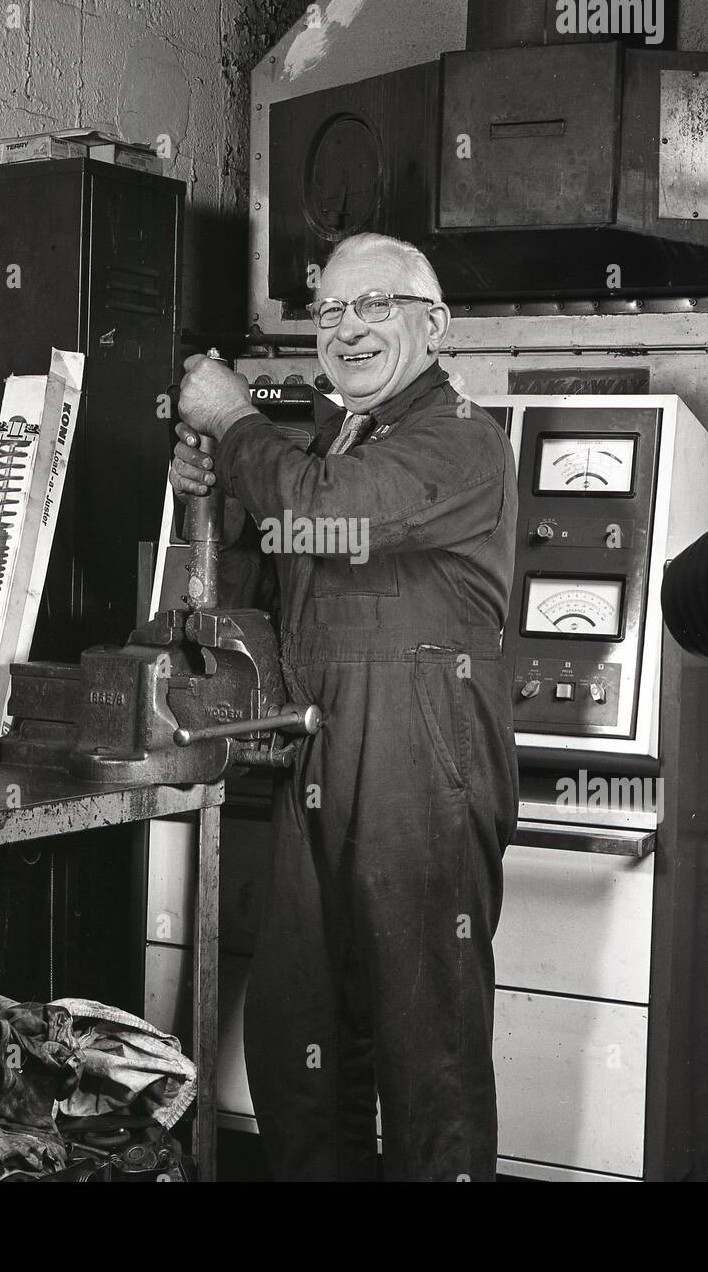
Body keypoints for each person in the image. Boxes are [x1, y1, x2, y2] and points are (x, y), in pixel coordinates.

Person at [172, 232, 518, 1182]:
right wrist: (215, 493)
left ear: (434, 325)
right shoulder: (331, 444)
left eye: (376, 307)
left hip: (425, 771)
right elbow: (269, 576)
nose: (348, 328)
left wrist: (239, 427)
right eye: (329, 310)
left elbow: (331, 508)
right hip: (318, 759)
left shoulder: (463, 441)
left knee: (427, 1062)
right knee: (301, 1045)